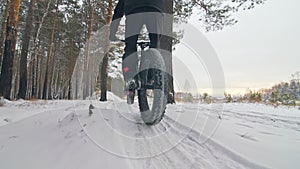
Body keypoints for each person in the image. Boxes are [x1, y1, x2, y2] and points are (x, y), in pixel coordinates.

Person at [109, 0, 165, 98]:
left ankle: (130, 78)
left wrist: (112, 32)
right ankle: (152, 76)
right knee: (155, 45)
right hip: (156, 9)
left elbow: (118, 11)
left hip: (134, 10)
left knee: (130, 46)